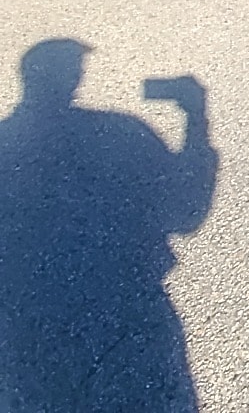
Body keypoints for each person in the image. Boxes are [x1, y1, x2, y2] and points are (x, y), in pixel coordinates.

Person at [0, 39, 216, 411]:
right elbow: (186, 211)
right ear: (75, 77)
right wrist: (195, 118)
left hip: (22, 334)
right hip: (130, 326)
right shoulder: (120, 134)